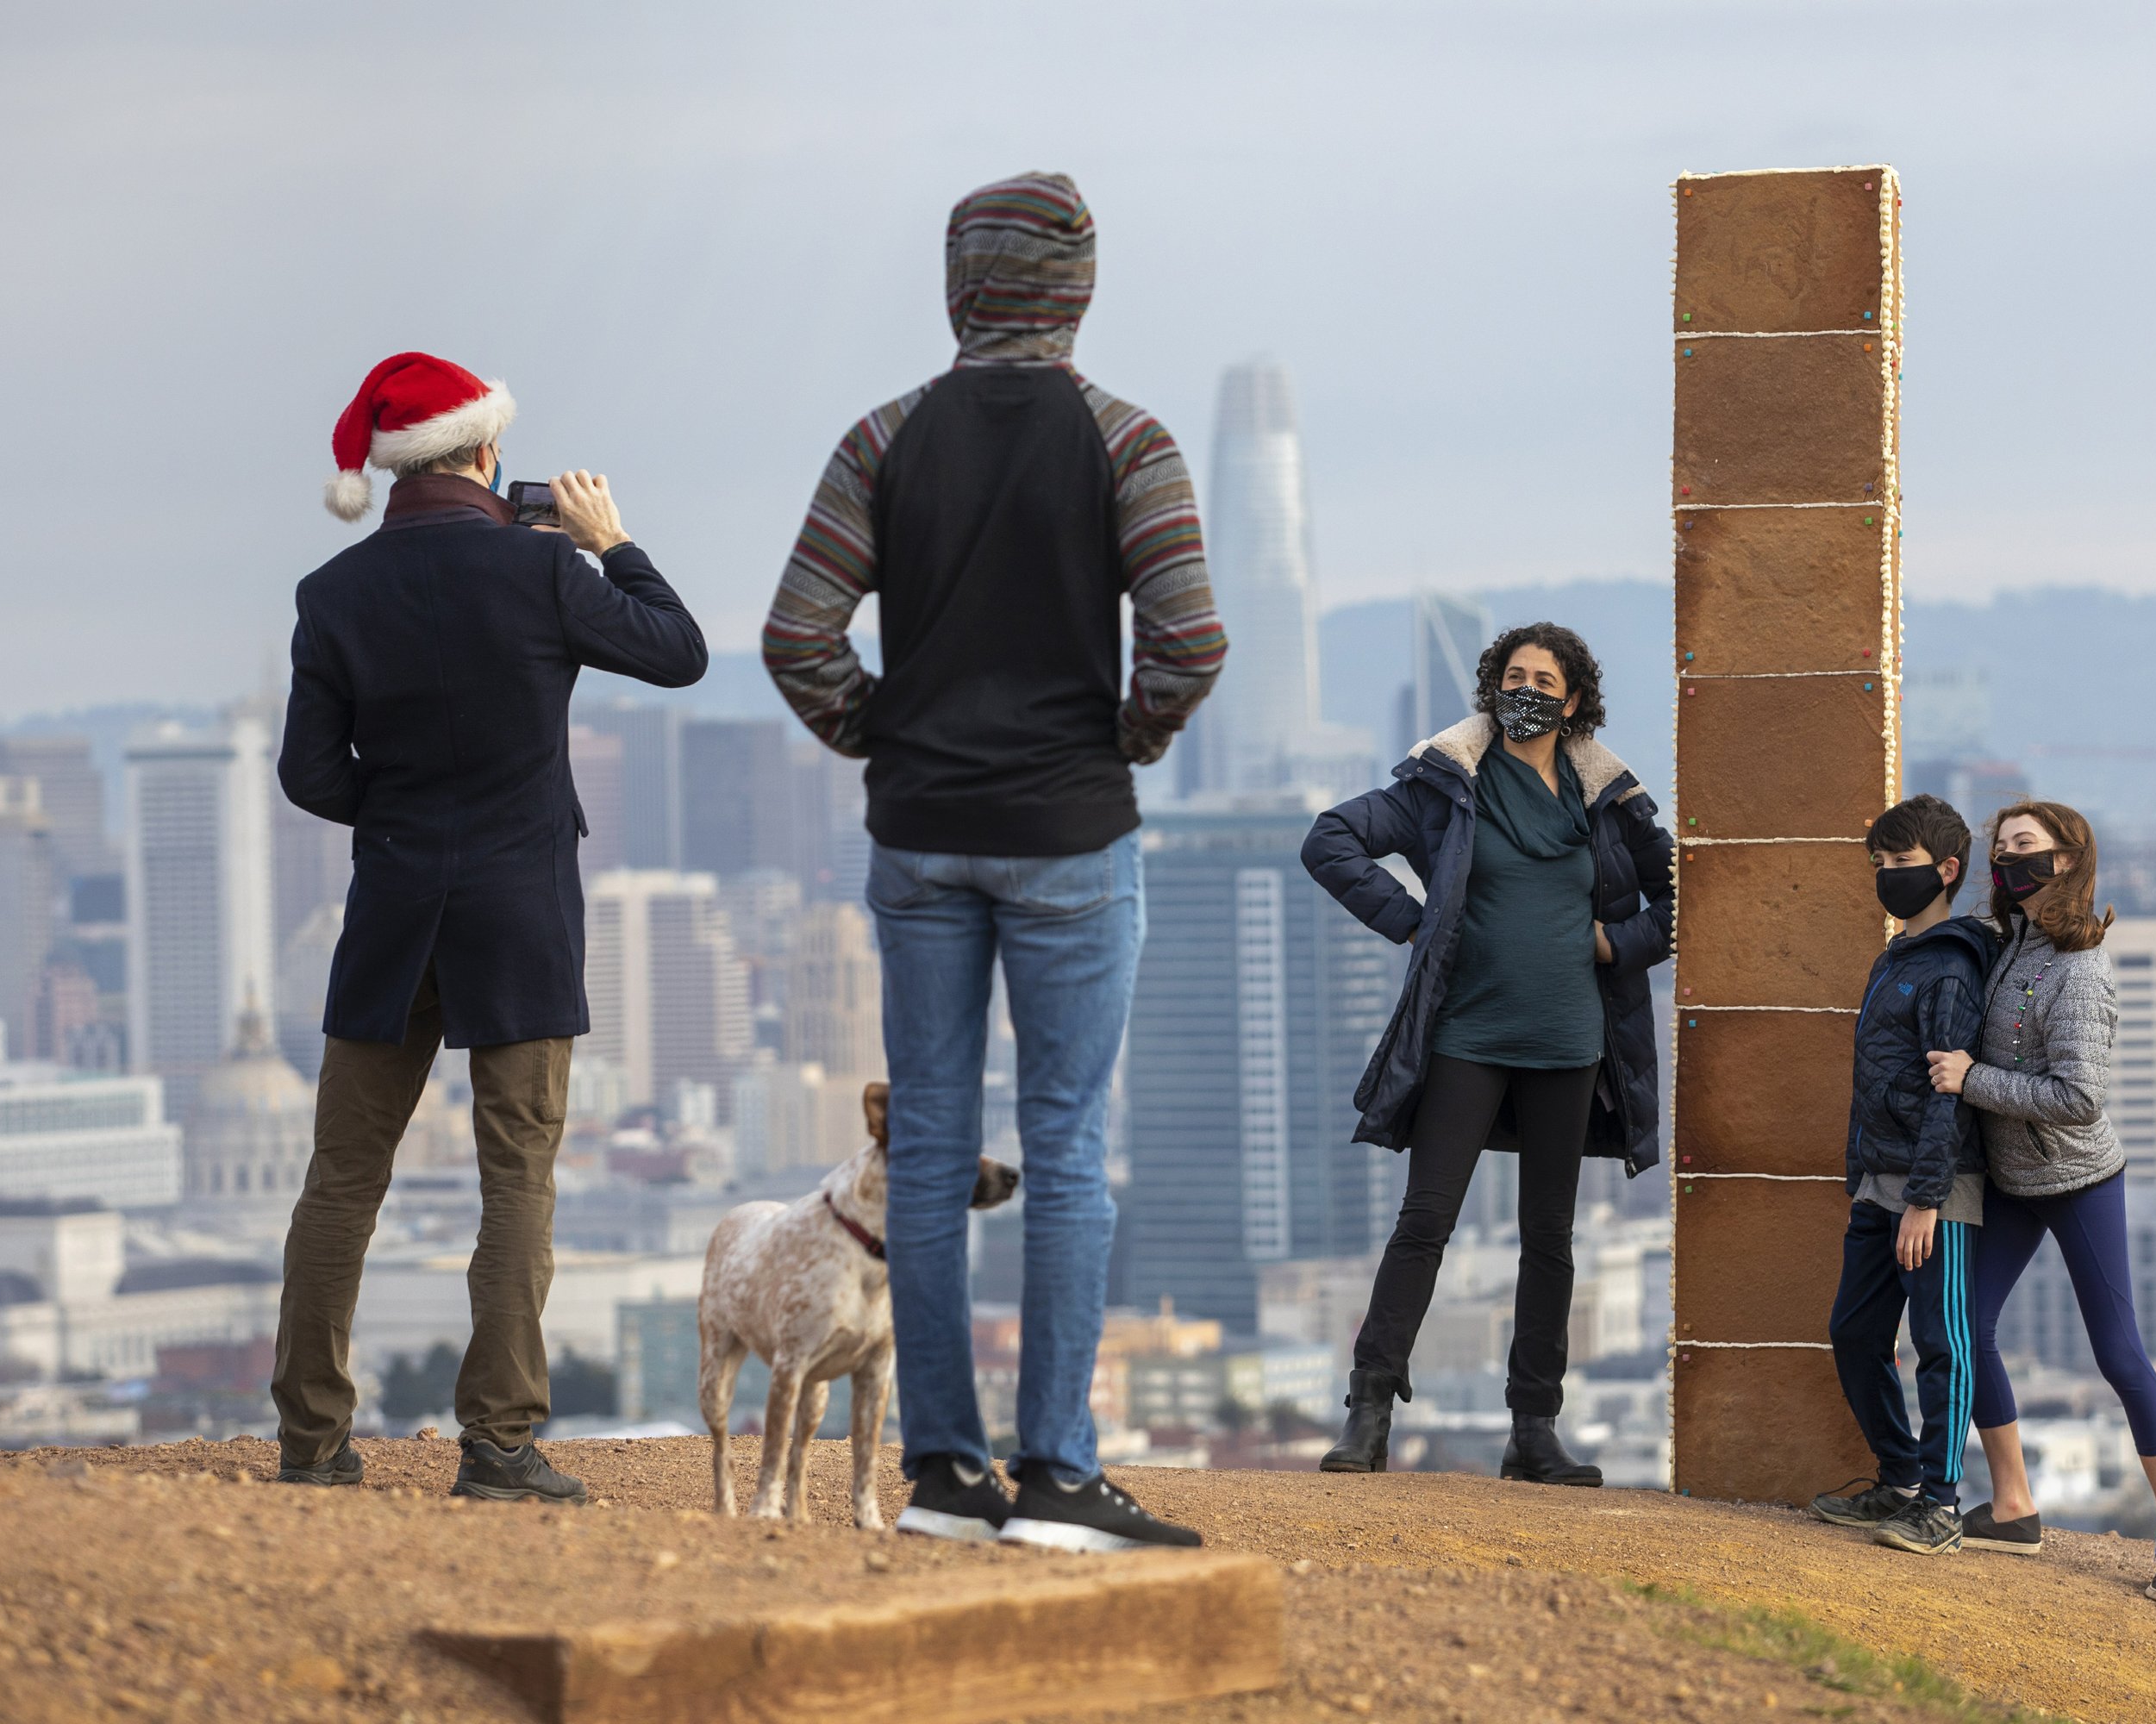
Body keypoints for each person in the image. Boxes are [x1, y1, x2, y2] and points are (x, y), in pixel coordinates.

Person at [765, 173, 1224, 1552]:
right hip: (1072, 830)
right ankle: (1063, 1480)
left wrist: (885, 734)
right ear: (1077, 290)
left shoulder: (883, 441)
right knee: (1068, 1150)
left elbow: (799, 634)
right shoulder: (1128, 443)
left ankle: (948, 1481)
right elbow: (1190, 641)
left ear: (958, 287)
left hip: (920, 835)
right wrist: (1122, 742)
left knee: (930, 1154)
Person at [274, 352, 708, 1501]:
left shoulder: (333, 594)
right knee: (517, 1174)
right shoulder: (542, 571)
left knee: (342, 1179)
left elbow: (310, 773)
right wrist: (609, 539)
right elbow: (679, 651)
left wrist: (407, 815)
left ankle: (311, 1443)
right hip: (520, 912)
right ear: (481, 453)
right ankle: (499, 1445)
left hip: (392, 913)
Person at [1302, 623, 1672, 1484]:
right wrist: (1413, 922)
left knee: (1550, 1238)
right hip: (1466, 1036)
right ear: (1491, 687)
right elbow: (1330, 839)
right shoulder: (1446, 786)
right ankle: (1368, 1411)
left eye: (1546, 678)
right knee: (1424, 1221)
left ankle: (1533, 1432)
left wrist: (1621, 945)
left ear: (1574, 698)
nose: (1529, 688)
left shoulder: (1609, 800)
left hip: (1572, 1045)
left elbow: (1683, 898)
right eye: (1514, 674)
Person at [1926, 800, 2156, 1608]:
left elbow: (2080, 1097)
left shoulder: (2083, 966)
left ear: (2069, 859)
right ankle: (2013, 1504)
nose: (2008, 863)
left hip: (2078, 1179)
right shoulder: (2013, 944)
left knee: (2118, 1353)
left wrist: (1970, 1078)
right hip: (2011, 1178)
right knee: (1963, 1327)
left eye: (2025, 848)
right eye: (2001, 849)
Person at [1810, 794, 1997, 1556]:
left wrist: (1925, 1200)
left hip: (1934, 1192)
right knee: (1854, 1333)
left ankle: (1943, 1505)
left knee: (1939, 1342)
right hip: (1878, 1183)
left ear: (1947, 870)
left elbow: (1946, 1097)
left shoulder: (1950, 968)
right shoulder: (1897, 959)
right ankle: (1900, 1479)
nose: (1886, 876)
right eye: (1880, 864)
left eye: (1902, 864)